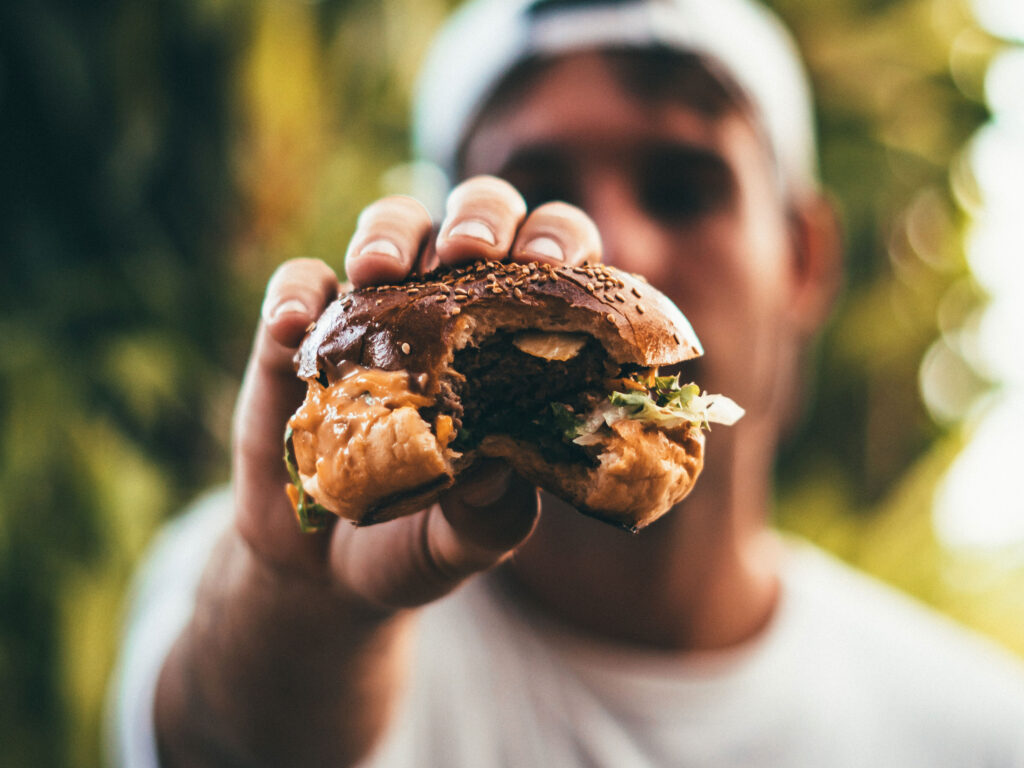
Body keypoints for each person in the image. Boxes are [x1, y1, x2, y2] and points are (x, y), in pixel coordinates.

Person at [110, 1, 1024, 766]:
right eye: (538, 182)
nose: (612, 245)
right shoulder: (246, 582)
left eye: (681, 188)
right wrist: (304, 612)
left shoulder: (978, 732)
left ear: (801, 259)